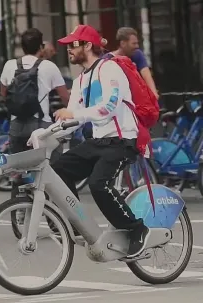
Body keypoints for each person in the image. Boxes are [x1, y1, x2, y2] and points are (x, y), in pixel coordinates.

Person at [29, 24, 150, 258]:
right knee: (58, 170)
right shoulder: (82, 79)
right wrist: (43, 134)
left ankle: (137, 230)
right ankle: (77, 222)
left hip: (122, 140)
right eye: (67, 46)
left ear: (87, 46)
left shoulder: (110, 69)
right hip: (98, 141)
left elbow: (109, 107)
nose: (69, 50)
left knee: (98, 184)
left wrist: (74, 114)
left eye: (73, 45)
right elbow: (71, 118)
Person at [0, 28, 70, 196]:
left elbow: (3, 94)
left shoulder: (10, 65)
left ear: (22, 47)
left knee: (18, 170)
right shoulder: (49, 66)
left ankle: (18, 210)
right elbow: (65, 97)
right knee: (55, 168)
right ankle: (53, 215)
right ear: (41, 46)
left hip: (16, 126)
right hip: (41, 126)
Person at [103, 27, 159, 100]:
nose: (137, 46)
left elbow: (146, 74)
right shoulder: (107, 60)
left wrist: (154, 93)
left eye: (137, 43)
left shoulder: (137, 54)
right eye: (134, 43)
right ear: (123, 43)